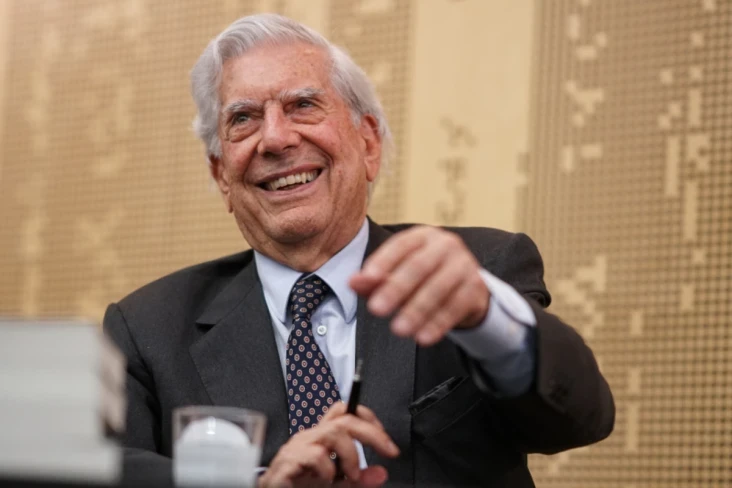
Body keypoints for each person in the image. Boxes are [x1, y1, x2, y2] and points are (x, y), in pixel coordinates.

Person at [104, 13, 614, 488]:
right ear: (222, 176)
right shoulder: (148, 330)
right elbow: (107, 469)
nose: (275, 138)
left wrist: (485, 316)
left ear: (368, 143)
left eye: (303, 105)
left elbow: (579, 419)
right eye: (243, 118)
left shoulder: (479, 269)